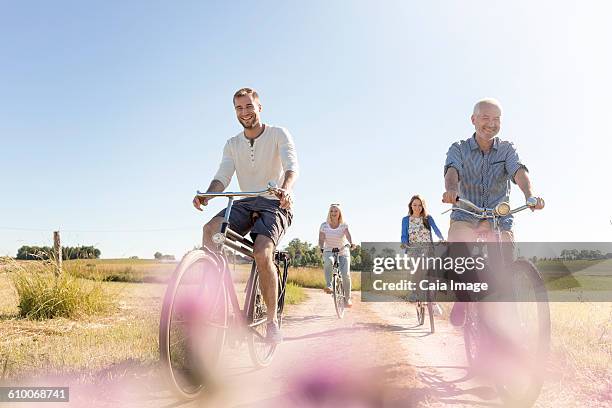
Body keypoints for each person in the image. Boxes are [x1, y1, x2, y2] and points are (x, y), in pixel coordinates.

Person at [193, 87, 298, 343]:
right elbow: (222, 176)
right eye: (239, 108)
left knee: (262, 253)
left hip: (274, 202)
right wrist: (208, 194)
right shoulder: (232, 144)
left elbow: (291, 167)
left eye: (249, 106)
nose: (245, 112)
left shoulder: (278, 134)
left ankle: (272, 322)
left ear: (259, 107)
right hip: (246, 201)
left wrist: (286, 189)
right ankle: (217, 301)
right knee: (209, 230)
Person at [442, 98, 544, 325]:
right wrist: (450, 191)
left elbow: (518, 172)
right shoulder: (458, 148)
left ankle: (507, 316)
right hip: (467, 213)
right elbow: (452, 171)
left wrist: (530, 196)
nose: (491, 123)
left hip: (498, 217)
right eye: (485, 118)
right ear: (473, 120)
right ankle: (464, 297)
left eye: (496, 119)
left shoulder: (507, 149)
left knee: (505, 263)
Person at [400, 195, 444, 303]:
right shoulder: (406, 220)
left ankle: (433, 301)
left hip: (428, 249)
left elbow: (436, 230)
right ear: (411, 206)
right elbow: (404, 235)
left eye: (420, 205)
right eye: (414, 205)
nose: (417, 207)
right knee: (418, 266)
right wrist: (404, 243)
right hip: (413, 249)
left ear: (423, 206)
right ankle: (414, 293)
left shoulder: (428, 219)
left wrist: (442, 238)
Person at [318, 204, 356, 307]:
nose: (333, 213)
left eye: (336, 211)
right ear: (329, 213)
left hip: (343, 250)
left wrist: (352, 243)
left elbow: (348, 235)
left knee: (345, 275)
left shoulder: (343, 225)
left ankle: (347, 299)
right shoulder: (324, 225)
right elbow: (321, 238)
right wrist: (321, 247)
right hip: (328, 250)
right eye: (331, 211)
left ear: (339, 213)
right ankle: (329, 286)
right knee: (328, 262)